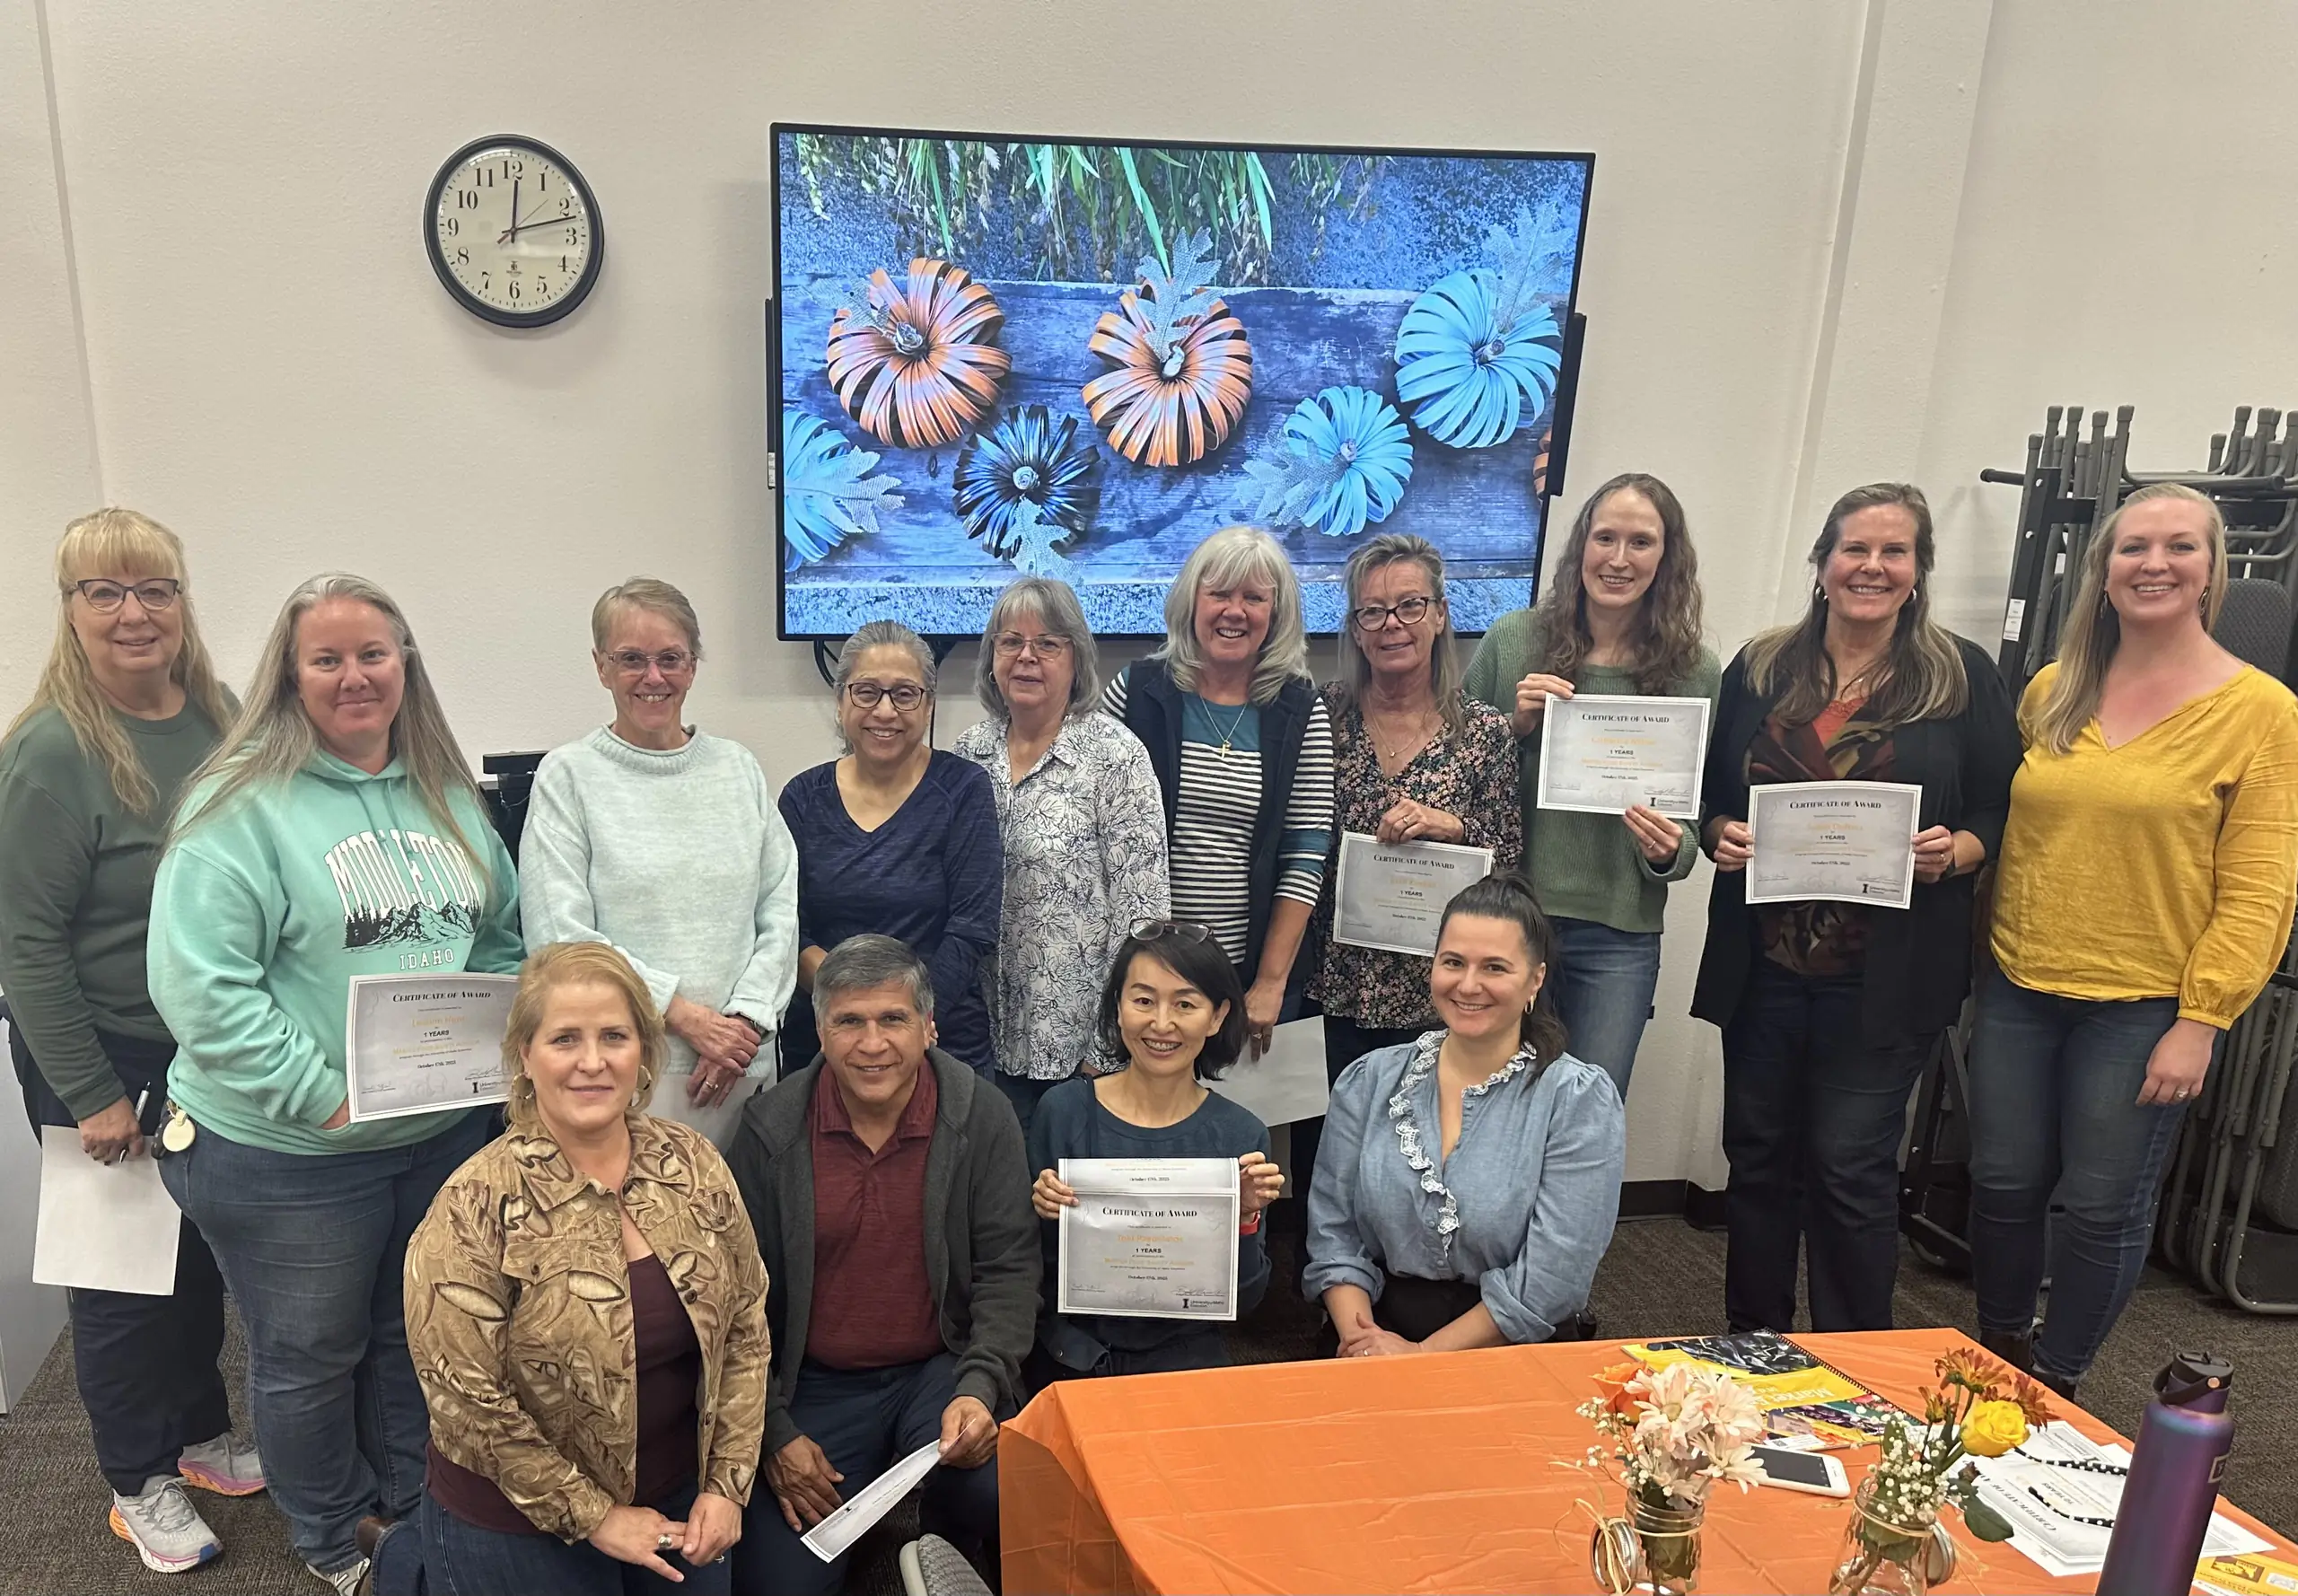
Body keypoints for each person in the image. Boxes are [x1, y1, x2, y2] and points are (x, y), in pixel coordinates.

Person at [147, 574, 524, 1594]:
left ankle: (410, 1508)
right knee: (309, 1352)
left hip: (431, 1131)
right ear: (291, 675)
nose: (355, 675)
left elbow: (498, 936)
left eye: (374, 653)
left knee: (415, 1331)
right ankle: (327, 1532)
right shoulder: (239, 806)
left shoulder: (444, 789)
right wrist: (321, 1092)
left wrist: (486, 1053)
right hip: (288, 1150)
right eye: (328, 658)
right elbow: (201, 987)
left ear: (406, 664)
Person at [1971, 484, 2298, 1397]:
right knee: (1999, 1183)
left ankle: (2055, 1384)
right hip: (2019, 982)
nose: (2153, 562)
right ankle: (1998, 1355)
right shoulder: (2053, 687)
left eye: (2178, 546)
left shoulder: (2260, 711)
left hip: (2146, 1003)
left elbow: (2262, 882)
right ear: (2103, 571)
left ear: (2211, 571)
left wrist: (2202, 1018)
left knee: (2099, 1204)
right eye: (2133, 546)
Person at [1692, 484, 2019, 1335]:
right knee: (1758, 1161)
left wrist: (1962, 852)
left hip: (1887, 974)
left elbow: (1998, 808)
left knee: (1848, 1165)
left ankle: (1855, 1359)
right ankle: (1754, 1345)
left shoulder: (1960, 676)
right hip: (1763, 967)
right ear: (1822, 563)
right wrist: (1720, 831)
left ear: (1918, 573)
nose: (1871, 567)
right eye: (1854, 549)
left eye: (1894, 552)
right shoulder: (1761, 669)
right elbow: (1710, 797)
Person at [0, 509, 258, 1574]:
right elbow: (21, 941)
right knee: (116, 1282)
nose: (133, 611)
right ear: (69, 610)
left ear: (182, 599)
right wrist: (92, 1091)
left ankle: (196, 1434)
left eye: (153, 587)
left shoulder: (216, 712)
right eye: (103, 591)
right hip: (95, 1048)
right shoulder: (51, 749)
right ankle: (131, 1478)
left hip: (195, 1047)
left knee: (195, 1256)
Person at [384, 942, 768, 1596]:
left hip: (677, 1500)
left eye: (614, 1036)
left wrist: (727, 1484)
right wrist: (596, 1518)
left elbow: (745, 1329)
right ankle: (406, 1563)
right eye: (565, 1039)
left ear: (644, 1052)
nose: (592, 1062)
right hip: (516, 1518)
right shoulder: (473, 1205)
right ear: (525, 1056)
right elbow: (467, 1406)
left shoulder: (694, 1163)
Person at [725, 935, 1036, 1596]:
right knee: (773, 1586)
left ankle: (949, 1526)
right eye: (849, 1022)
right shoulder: (769, 1131)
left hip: (940, 1367)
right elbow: (733, 1309)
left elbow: (1009, 1270)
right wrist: (772, 1433)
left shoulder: (982, 1115)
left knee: (1007, 1492)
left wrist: (979, 1388)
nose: (872, 1044)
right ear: (819, 1030)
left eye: (892, 1019)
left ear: (928, 1027)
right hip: (815, 1383)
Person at [1464, 472, 1720, 1097]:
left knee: (1589, 1115)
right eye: (1605, 537)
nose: (1619, 559)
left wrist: (1670, 851)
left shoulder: (1695, 671)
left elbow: (1694, 821)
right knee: (1489, 1105)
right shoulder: (1514, 639)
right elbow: (1453, 772)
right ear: (1581, 544)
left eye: (1641, 542)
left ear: (1668, 558)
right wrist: (1513, 727)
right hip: (1511, 920)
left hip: (1619, 934)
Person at [519, 578, 799, 1147]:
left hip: (740, 1072)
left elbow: (781, 906)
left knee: (735, 1232)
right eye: (631, 660)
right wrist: (686, 1018)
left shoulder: (737, 768)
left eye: (670, 658)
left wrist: (744, 1022)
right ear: (601, 666)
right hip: (624, 1077)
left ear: (693, 666)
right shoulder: (568, 776)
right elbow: (560, 938)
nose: (654, 677)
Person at [1304, 874, 1625, 1354]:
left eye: (1495, 967)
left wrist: (1420, 1358)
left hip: (1510, 1342)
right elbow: (1333, 1233)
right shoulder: (1368, 1080)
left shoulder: (1577, 1100)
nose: (1468, 985)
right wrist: (1362, 1341)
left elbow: (1556, 1274)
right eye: (1453, 962)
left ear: (1535, 979)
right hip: (1373, 1331)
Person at [1301, 535, 1519, 1203]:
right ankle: (1330, 1287)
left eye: (1410, 605)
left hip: (1441, 989)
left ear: (1442, 614)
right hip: (1331, 977)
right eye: (1373, 612)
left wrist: (1455, 827)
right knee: (1333, 1148)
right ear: (1356, 631)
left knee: (1427, 1149)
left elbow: (1511, 866)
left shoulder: (1484, 732)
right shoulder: (1319, 714)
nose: (1392, 623)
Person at [1102, 525, 1337, 1057]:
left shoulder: (1301, 709)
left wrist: (1272, 982)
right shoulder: (1138, 692)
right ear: (1192, 602)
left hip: (1246, 978)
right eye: (1220, 594)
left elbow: (1305, 854)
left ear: (1275, 614)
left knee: (1247, 1136)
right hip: (1146, 980)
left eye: (1254, 597)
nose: (1235, 611)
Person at [952, 578, 1170, 1131]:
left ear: (1077, 658)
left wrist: (1108, 1044)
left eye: (1048, 644)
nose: (1027, 657)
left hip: (1077, 1053)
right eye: (1010, 642)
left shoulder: (1114, 756)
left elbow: (1143, 915)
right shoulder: (967, 754)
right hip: (975, 1039)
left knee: (1063, 1211)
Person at [1026, 921, 1284, 1377]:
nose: (1161, 1024)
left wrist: (1244, 1219)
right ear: (1119, 1008)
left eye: (1185, 1004)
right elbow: (1026, 1273)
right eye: (1143, 1000)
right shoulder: (1062, 1111)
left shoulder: (1240, 1136)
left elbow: (1242, 1301)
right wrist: (1040, 1210)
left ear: (1218, 1016)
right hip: (1070, 1354)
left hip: (1186, 1361)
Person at [777, 622, 1002, 1077]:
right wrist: (850, 1013)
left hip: (940, 1040)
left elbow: (971, 929)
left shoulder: (963, 790)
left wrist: (906, 1020)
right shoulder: (802, 798)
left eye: (904, 694)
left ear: (929, 705)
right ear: (840, 702)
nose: (885, 711)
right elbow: (786, 928)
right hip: (823, 1048)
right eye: (866, 692)